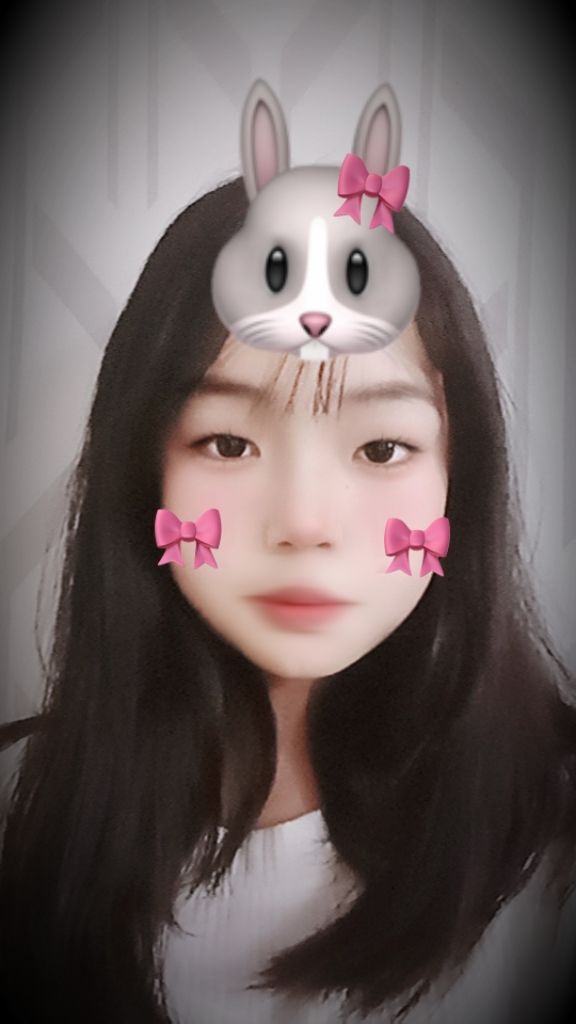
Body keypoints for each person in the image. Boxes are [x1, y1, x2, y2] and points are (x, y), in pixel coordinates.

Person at [0, 176, 575, 1024]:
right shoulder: (23, 801)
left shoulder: (552, 842)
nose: (305, 523)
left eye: (382, 448)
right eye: (228, 443)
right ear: (143, 470)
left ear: (460, 476)